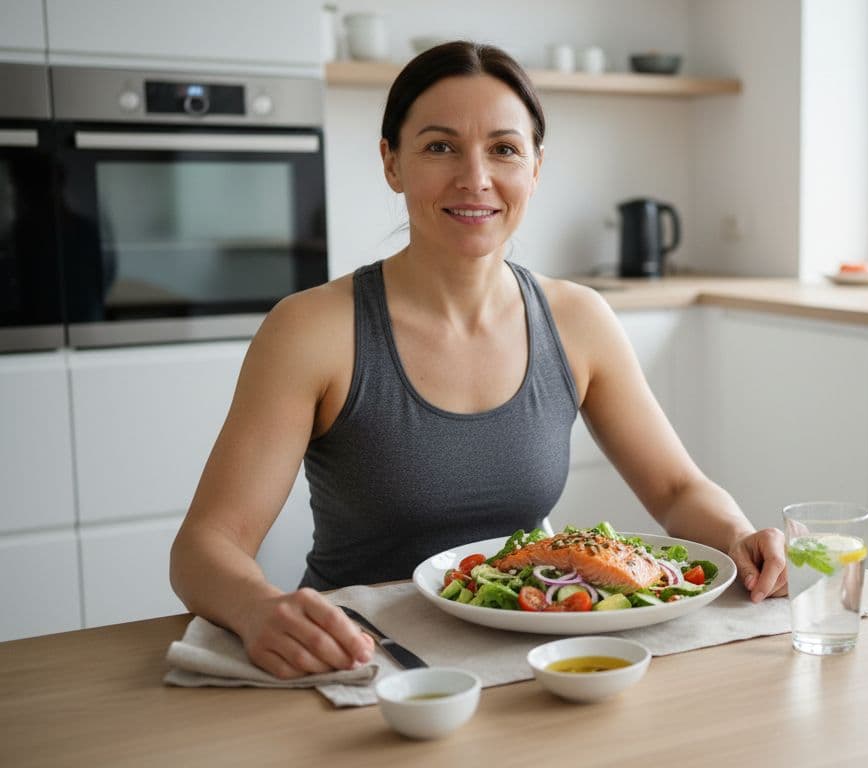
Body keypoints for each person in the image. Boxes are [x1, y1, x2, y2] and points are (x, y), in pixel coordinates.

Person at [170, 40, 787, 680]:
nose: (475, 178)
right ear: (391, 163)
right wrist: (257, 608)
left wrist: (739, 535)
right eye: (440, 146)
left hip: (535, 659)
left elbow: (676, 489)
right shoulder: (312, 329)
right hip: (366, 662)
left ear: (536, 167)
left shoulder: (578, 320)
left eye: (504, 149)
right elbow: (206, 546)